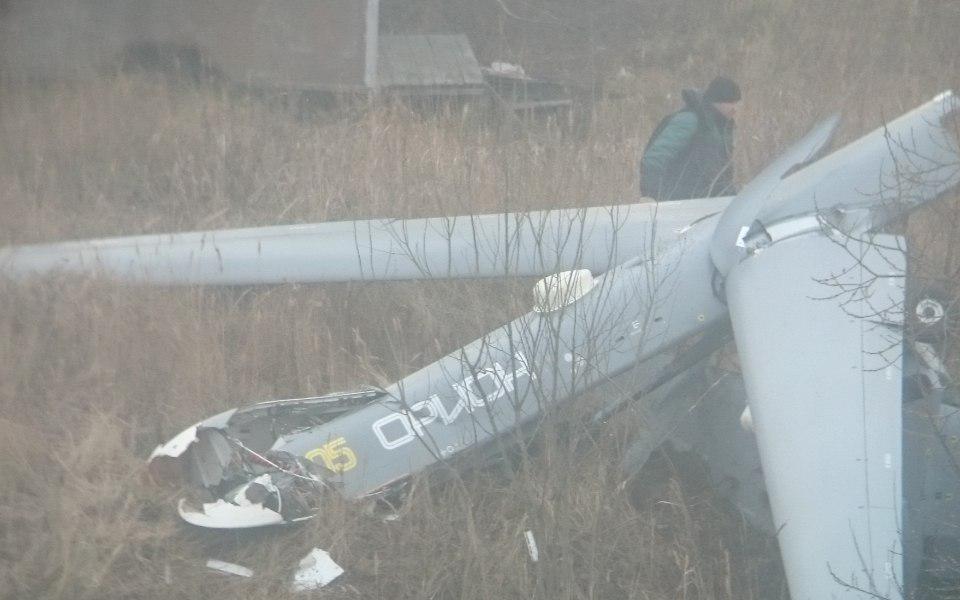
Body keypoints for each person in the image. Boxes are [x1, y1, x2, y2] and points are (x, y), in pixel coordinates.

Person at [639, 76, 740, 201]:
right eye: (731, 103)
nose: (735, 109)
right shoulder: (690, 120)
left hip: (707, 202)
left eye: (737, 103)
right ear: (717, 101)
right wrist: (650, 195)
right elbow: (655, 158)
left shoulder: (719, 126)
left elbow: (717, 173)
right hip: (679, 203)